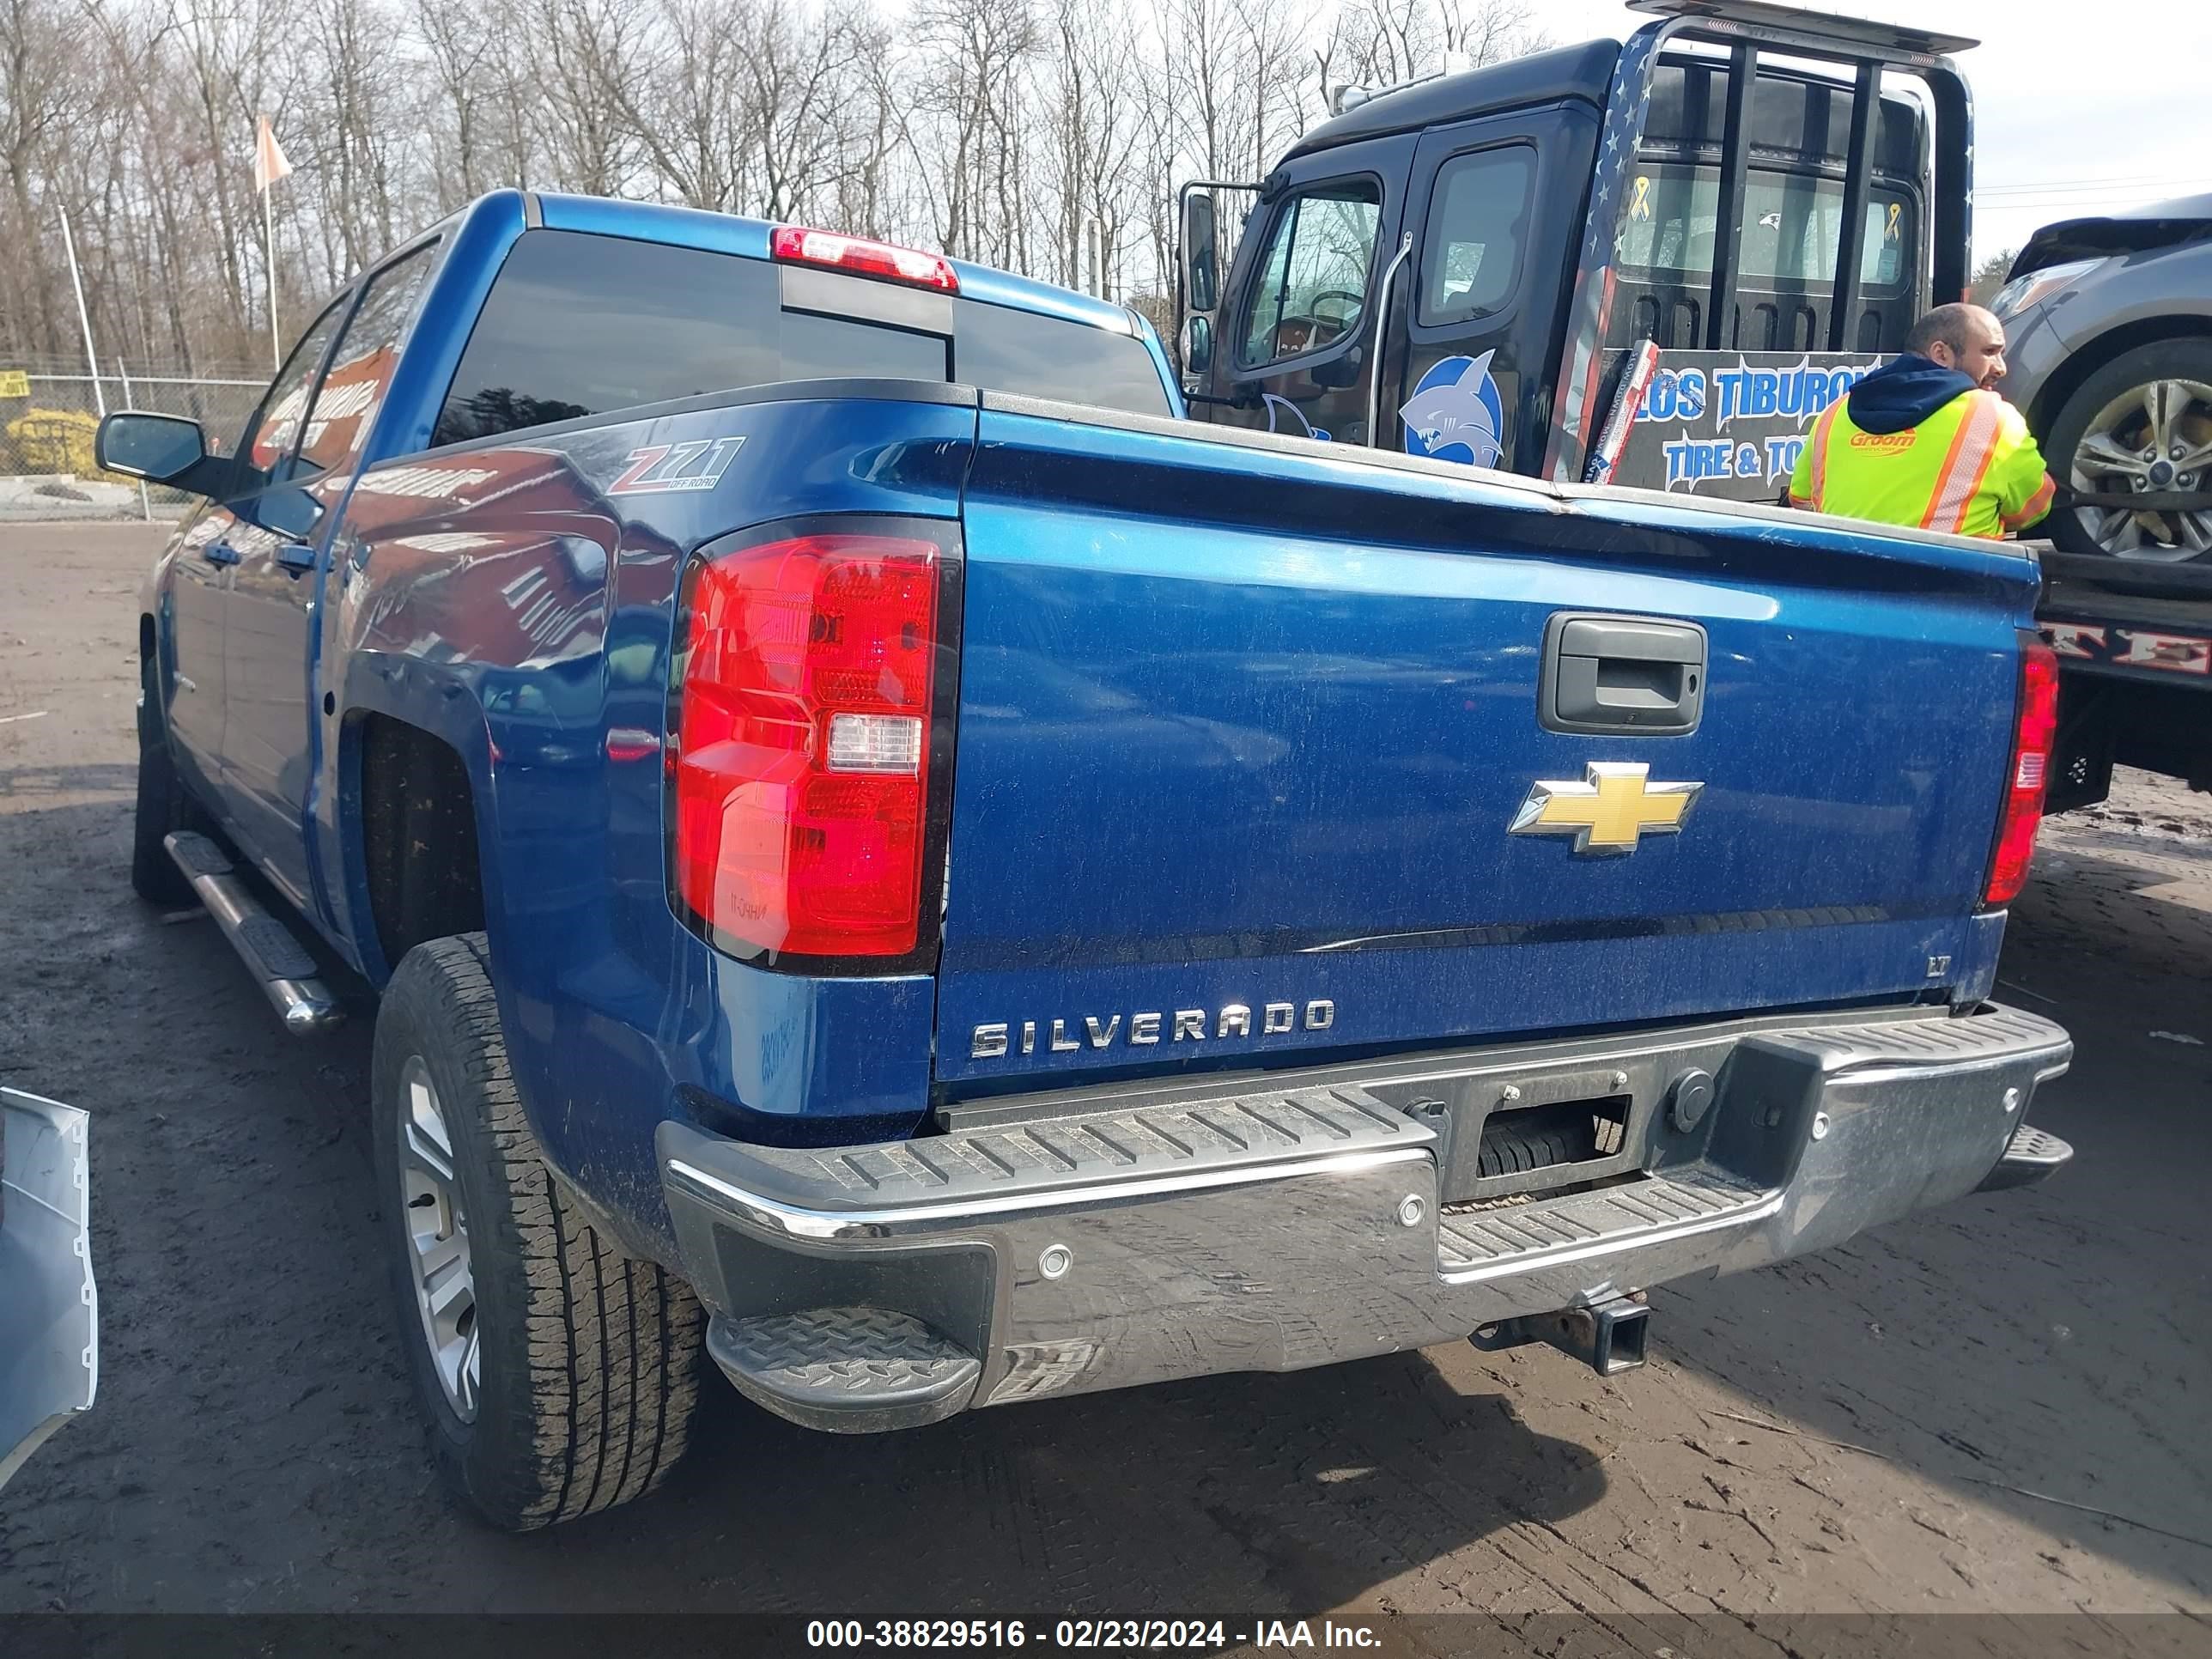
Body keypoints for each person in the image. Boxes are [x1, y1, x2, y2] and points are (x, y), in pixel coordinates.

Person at [1788, 302, 2057, 538]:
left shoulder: (1834, 413)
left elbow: (1801, 500)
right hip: (1951, 588)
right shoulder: (1993, 418)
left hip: (1846, 585)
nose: (2001, 367)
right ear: (1941, 354)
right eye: (1989, 352)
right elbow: (2033, 508)